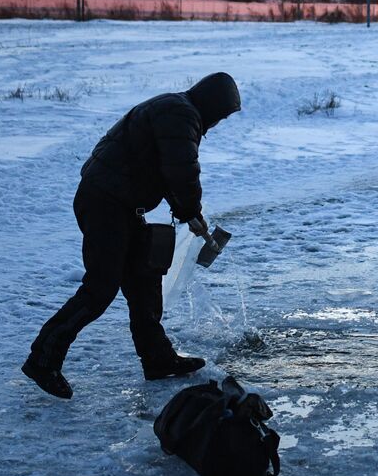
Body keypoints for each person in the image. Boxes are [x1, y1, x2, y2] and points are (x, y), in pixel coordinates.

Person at [21, 73, 242, 399]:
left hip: (118, 202)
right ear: (211, 105)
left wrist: (189, 213)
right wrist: (189, 208)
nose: (219, 122)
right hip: (104, 203)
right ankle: (43, 360)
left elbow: (163, 168)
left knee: (143, 278)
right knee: (101, 287)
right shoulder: (181, 114)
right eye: (221, 115)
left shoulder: (176, 108)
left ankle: (157, 359)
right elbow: (181, 171)